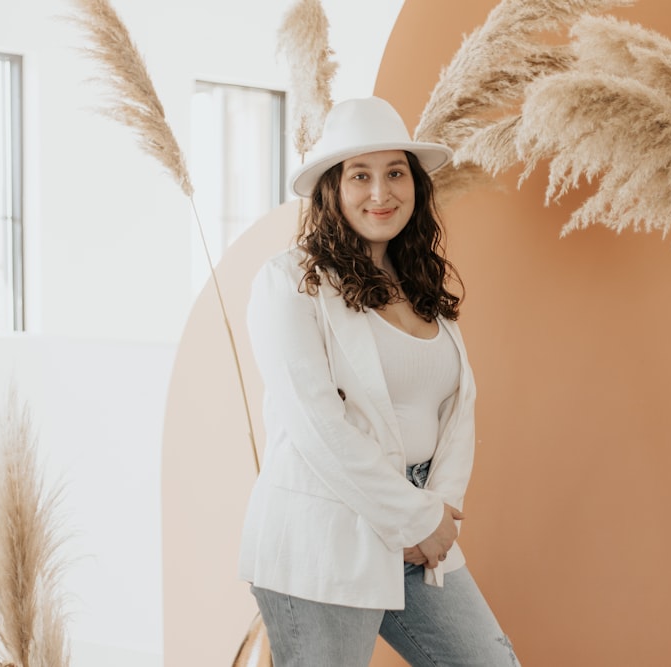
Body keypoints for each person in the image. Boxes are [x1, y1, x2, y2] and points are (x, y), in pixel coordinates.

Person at [239, 96, 519, 666]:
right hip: (325, 530)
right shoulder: (289, 283)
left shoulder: (420, 283)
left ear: (415, 183)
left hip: (418, 522)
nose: (380, 192)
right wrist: (415, 517)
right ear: (332, 191)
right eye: (359, 176)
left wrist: (438, 507)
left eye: (395, 172)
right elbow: (318, 427)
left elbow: (455, 407)